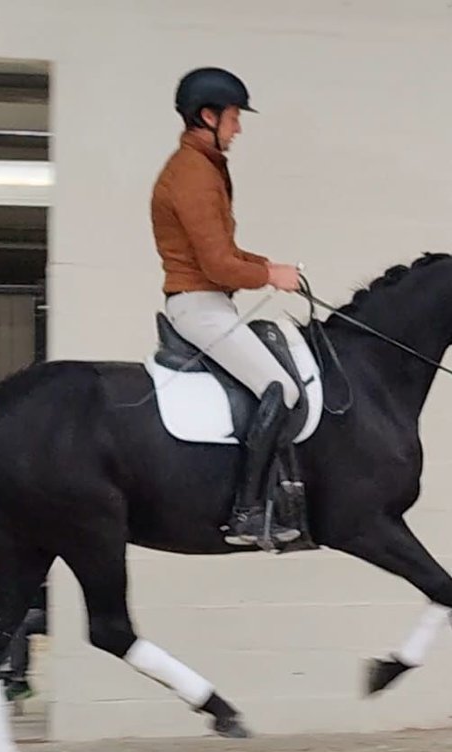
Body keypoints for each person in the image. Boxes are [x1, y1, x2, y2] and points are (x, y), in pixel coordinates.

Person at [151, 66, 304, 546]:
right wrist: (267, 276)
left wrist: (268, 266)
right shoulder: (193, 174)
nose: (238, 128)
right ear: (208, 116)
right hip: (199, 305)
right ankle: (248, 511)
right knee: (281, 388)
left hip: (210, 301)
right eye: (234, 117)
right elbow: (218, 265)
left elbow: (226, 252)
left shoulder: (204, 167)